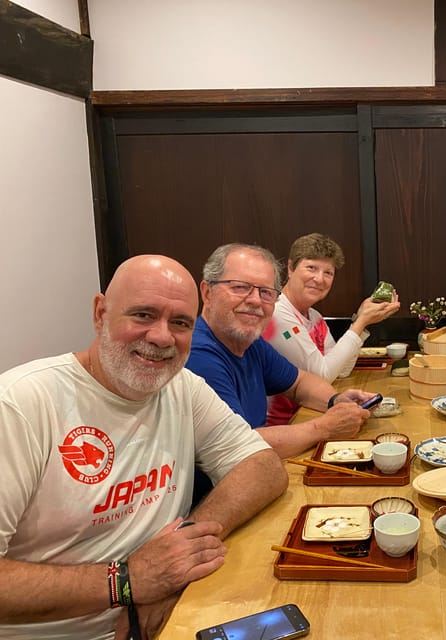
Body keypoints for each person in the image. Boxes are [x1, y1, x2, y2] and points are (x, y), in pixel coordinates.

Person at [0, 255, 285, 640]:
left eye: (181, 323)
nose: (162, 337)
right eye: (143, 315)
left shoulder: (182, 387)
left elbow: (262, 466)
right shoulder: (20, 404)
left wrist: (173, 565)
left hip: (173, 614)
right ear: (100, 313)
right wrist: (127, 583)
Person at [185, 243, 376, 459]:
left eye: (266, 292)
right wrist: (325, 427)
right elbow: (238, 445)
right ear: (207, 292)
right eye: (240, 287)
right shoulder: (198, 356)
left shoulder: (251, 344)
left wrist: (336, 400)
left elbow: (300, 382)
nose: (255, 300)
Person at [264, 233, 399, 424]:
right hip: (283, 425)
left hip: (313, 413)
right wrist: (361, 323)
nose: (319, 279)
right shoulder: (277, 314)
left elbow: (342, 370)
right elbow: (322, 377)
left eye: (328, 273)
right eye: (311, 268)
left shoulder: (314, 316)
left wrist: (360, 320)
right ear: (291, 267)